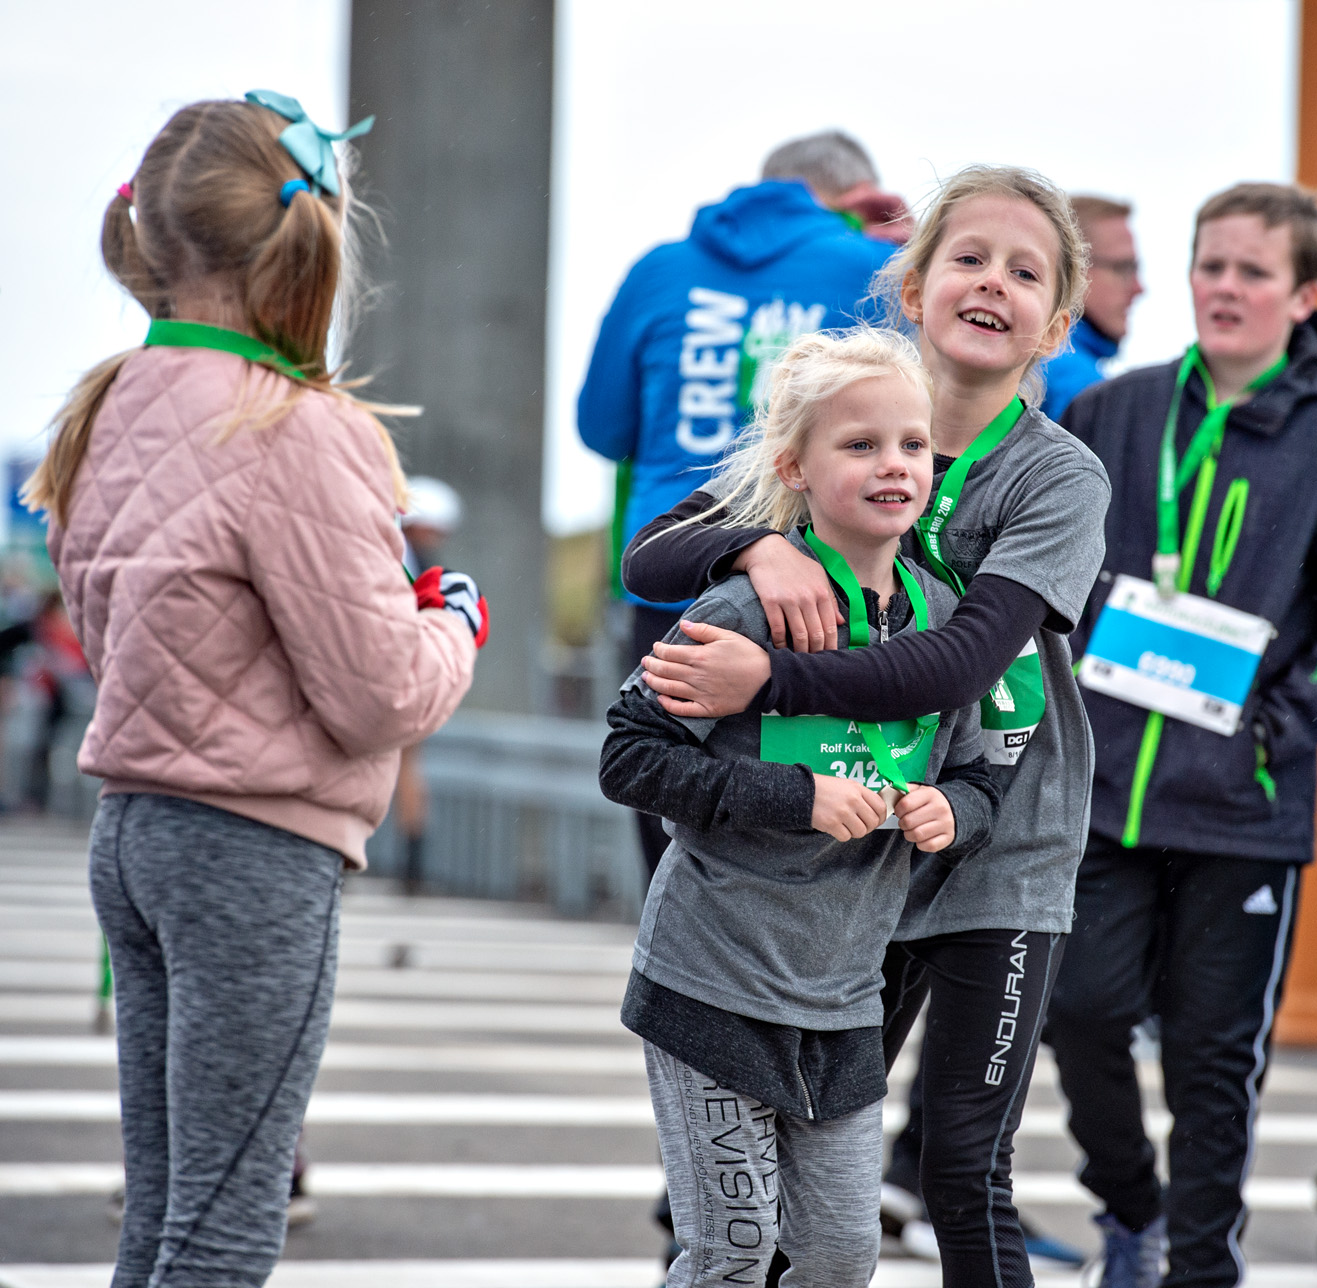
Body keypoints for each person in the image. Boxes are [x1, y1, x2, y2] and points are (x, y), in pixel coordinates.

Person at [623, 164, 1110, 1288]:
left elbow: (961, 663)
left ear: (1057, 324)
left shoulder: (1059, 477)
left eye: (1026, 272)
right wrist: (757, 544)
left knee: (962, 1170)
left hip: (995, 842)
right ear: (913, 285)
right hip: (850, 856)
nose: (992, 283)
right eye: (968, 258)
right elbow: (650, 555)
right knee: (788, 1184)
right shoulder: (851, 415)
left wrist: (769, 679)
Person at [29, 94, 481, 1287]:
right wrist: (456, 619)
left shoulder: (105, 406)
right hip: (251, 846)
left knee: (163, 1211)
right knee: (228, 1225)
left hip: (133, 830)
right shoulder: (299, 426)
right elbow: (378, 694)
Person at [1044, 182, 1317, 1288]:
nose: (1225, 289)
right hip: (1102, 790)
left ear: (1301, 295)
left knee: (1212, 1063)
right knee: (1078, 1010)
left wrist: (1270, 733)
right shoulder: (1117, 412)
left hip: (1242, 806)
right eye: (1212, 266)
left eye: (1254, 271)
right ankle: (1133, 1210)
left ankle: (1202, 1269)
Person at [601, 328, 1000, 1287]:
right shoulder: (744, 612)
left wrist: (954, 813)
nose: (893, 464)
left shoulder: (944, 625)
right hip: (712, 981)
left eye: (911, 444)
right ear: (796, 468)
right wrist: (797, 797)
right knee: (733, 1253)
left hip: (846, 1002)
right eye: (860, 445)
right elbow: (628, 757)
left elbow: (981, 777)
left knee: (838, 1258)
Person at [578, 129, 898, 880]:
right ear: (858, 198)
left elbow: (602, 427)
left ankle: (672, 946)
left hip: (671, 578)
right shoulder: (869, 267)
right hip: (819, 590)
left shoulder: (660, 270)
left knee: (667, 798)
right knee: (825, 822)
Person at [394, 475, 465, 893]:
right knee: (405, 766)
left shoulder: (402, 556)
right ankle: (411, 868)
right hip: (403, 675)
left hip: (394, 672)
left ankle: (408, 865)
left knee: (397, 766)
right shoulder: (416, 564)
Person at [1039, 195, 1145, 421]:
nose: (1139, 288)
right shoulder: (1080, 385)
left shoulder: (1031, 358)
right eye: (1123, 268)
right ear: (1071, 269)